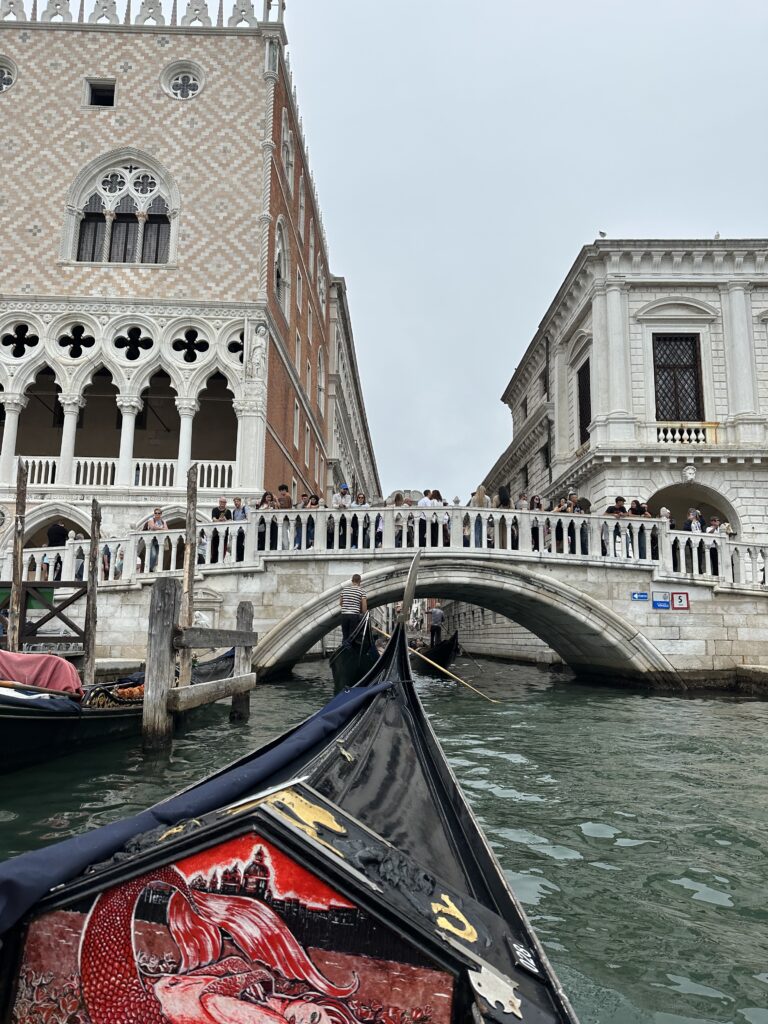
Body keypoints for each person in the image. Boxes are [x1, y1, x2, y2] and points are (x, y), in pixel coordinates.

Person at [339, 573, 367, 644]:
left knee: (345, 635)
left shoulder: (344, 590)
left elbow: (341, 603)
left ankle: (345, 646)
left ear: (352, 581)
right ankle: (351, 646)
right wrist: (365, 614)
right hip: (354, 615)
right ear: (360, 581)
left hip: (344, 615)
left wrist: (347, 607)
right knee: (352, 635)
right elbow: (364, 606)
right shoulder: (361, 591)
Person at [210, 496, 231, 563]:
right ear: (219, 502)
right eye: (221, 502)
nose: (222, 503)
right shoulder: (215, 510)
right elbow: (213, 519)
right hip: (216, 533)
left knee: (223, 548)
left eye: (224, 502)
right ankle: (213, 561)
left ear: (226, 503)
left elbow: (230, 520)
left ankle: (221, 560)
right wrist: (219, 520)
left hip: (224, 532)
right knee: (215, 548)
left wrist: (225, 520)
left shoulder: (228, 511)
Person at [232, 496, 247, 561]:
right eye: (235, 502)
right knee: (237, 545)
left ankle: (242, 558)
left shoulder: (244, 508)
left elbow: (248, 517)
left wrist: (242, 521)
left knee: (241, 545)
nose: (236, 503)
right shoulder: (234, 511)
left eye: (237, 501)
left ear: (240, 502)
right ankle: (238, 558)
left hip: (242, 531)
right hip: (236, 531)